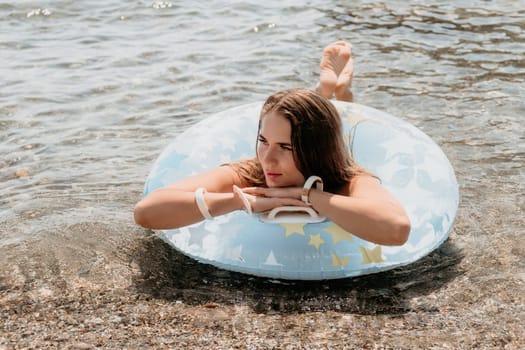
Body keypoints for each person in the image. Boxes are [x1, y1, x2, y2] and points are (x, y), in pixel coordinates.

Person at [134, 41, 410, 246]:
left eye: (286, 147)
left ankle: (338, 92)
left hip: (330, 157)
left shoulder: (347, 179)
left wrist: (306, 196)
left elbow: (396, 229)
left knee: (344, 127)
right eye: (263, 141)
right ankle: (325, 89)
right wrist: (240, 201)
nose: (268, 159)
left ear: (314, 149)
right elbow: (146, 212)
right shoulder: (249, 173)